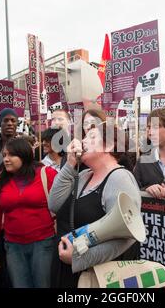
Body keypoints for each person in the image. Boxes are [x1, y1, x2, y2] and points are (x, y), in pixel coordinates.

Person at [48, 122, 141, 287]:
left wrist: (80, 258)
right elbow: (54, 203)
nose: (82, 141)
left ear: (110, 145)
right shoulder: (83, 175)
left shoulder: (120, 178)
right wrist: (70, 163)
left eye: (91, 137)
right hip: (69, 271)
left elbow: (128, 236)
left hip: (97, 276)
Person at [0, 137, 57, 288]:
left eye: (11, 155)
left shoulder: (47, 174)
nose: (6, 159)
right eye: (4, 155)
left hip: (43, 244)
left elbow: (62, 206)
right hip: (13, 247)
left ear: (24, 155)